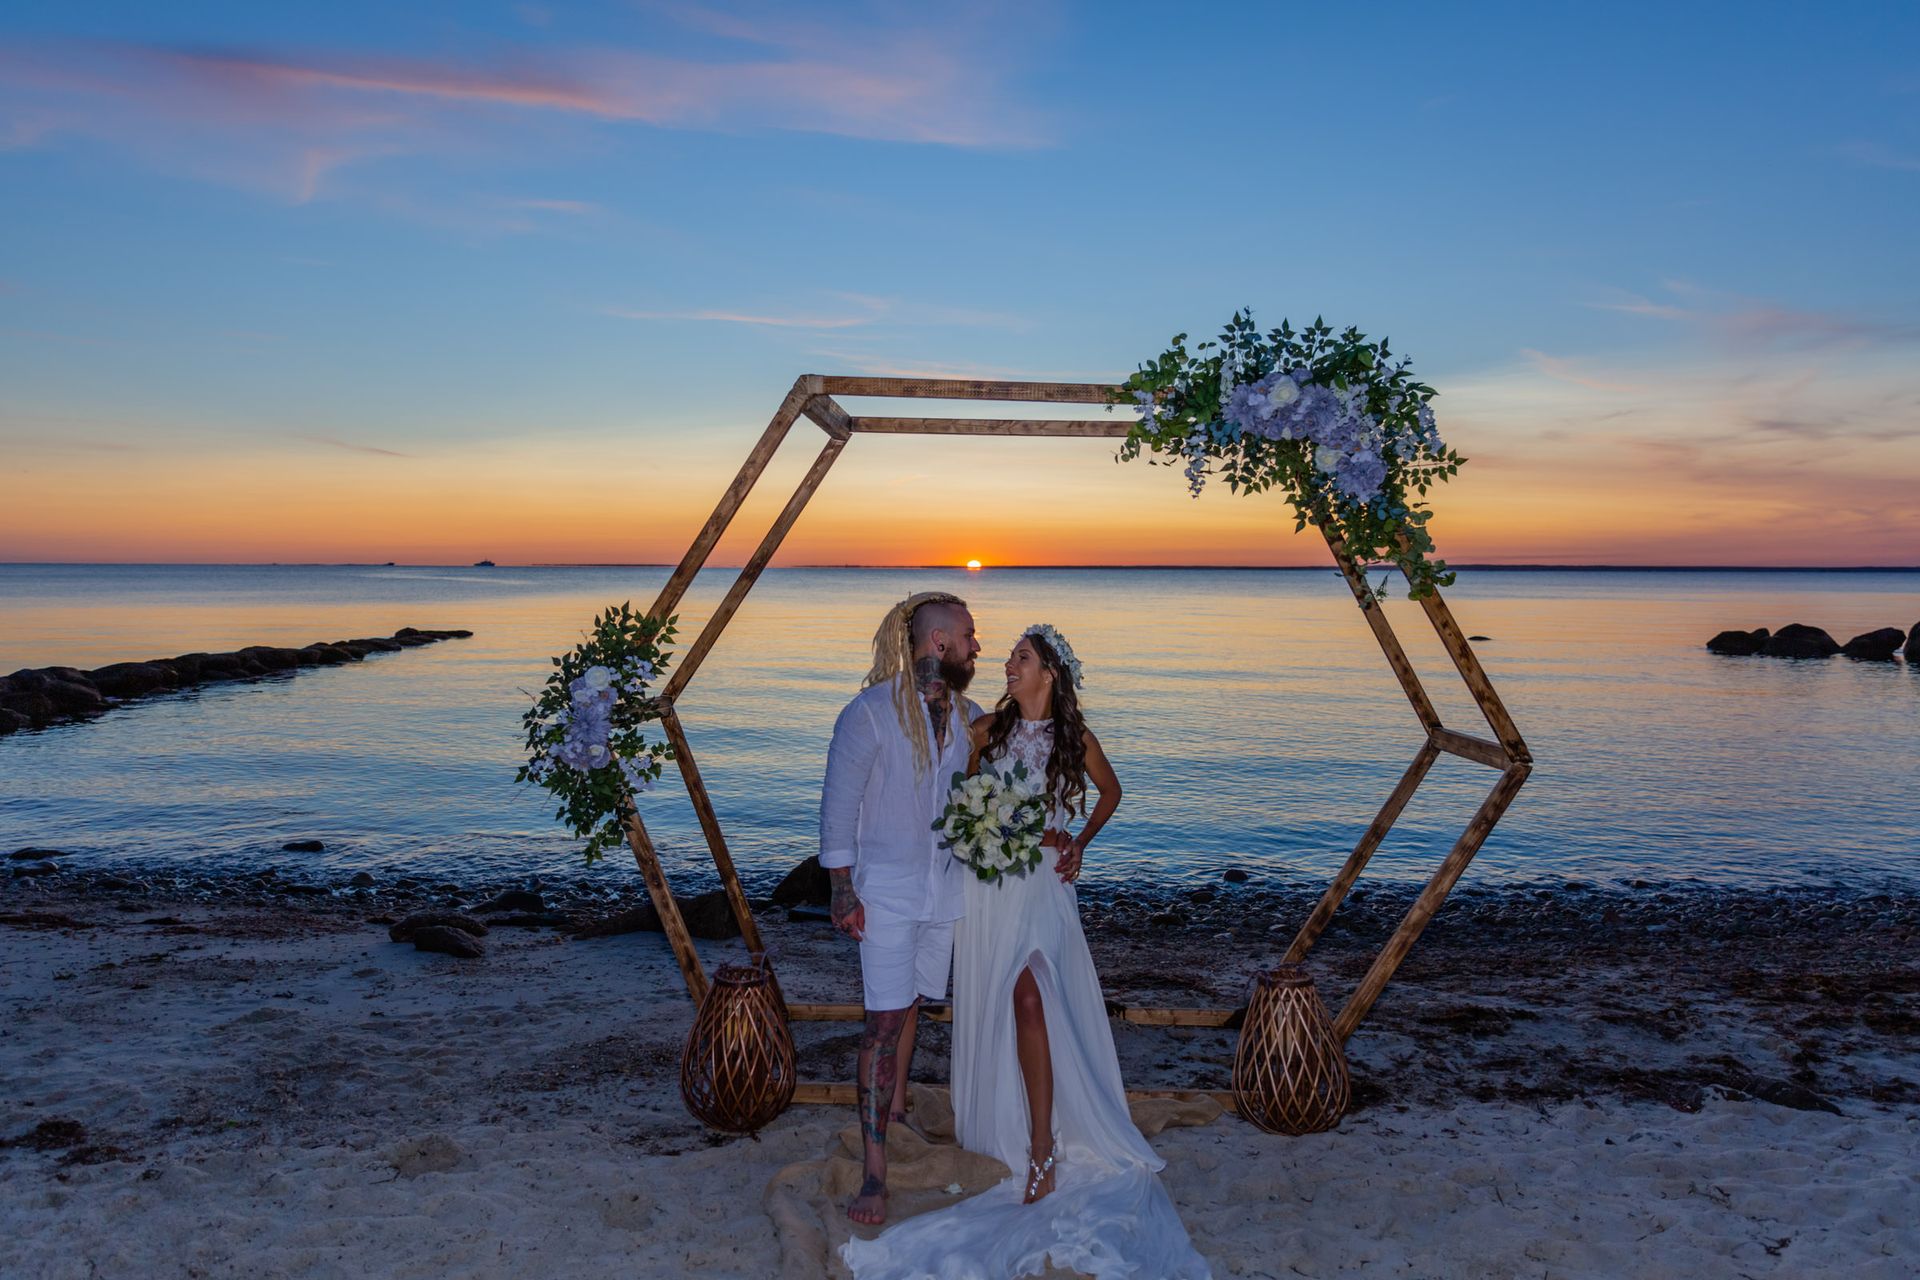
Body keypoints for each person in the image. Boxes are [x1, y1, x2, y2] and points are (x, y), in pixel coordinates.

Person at [843, 625, 1211, 1280]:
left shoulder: (1076, 740)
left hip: (1043, 890)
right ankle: (1018, 1131)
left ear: (1049, 674)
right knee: (1006, 1001)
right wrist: (954, 835)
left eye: (1021, 657)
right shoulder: (986, 731)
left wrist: (1080, 843)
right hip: (989, 890)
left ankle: (1043, 1148)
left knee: (1033, 996)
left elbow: (1112, 793)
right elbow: (948, 794)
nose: (1007, 664)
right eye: (1008, 656)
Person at [820, 591, 982, 1228]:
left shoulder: (968, 716)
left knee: (913, 1003)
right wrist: (842, 890)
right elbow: (838, 806)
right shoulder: (870, 713)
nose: (978, 646)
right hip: (884, 894)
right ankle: (874, 1173)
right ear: (938, 643)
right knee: (882, 1026)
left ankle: (894, 1113)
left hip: (942, 890)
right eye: (970, 635)